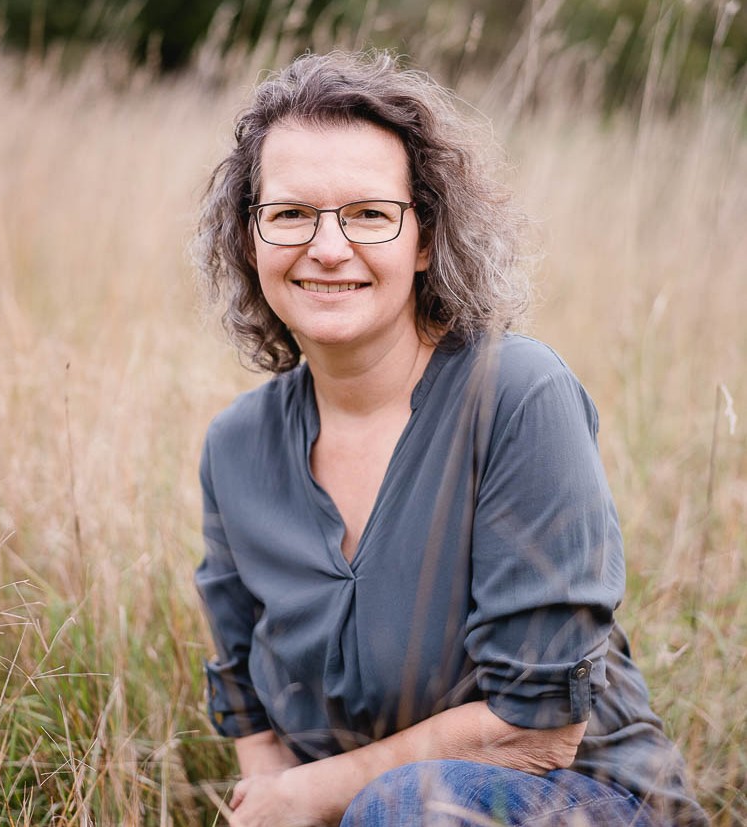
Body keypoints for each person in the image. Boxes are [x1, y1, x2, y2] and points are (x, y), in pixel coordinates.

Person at [193, 50, 708, 826]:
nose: (327, 248)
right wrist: (273, 797)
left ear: (425, 240)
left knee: (406, 806)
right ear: (249, 238)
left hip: (577, 802)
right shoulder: (235, 447)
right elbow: (243, 690)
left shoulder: (515, 396)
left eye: (369, 213)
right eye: (290, 213)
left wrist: (313, 794)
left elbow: (539, 728)